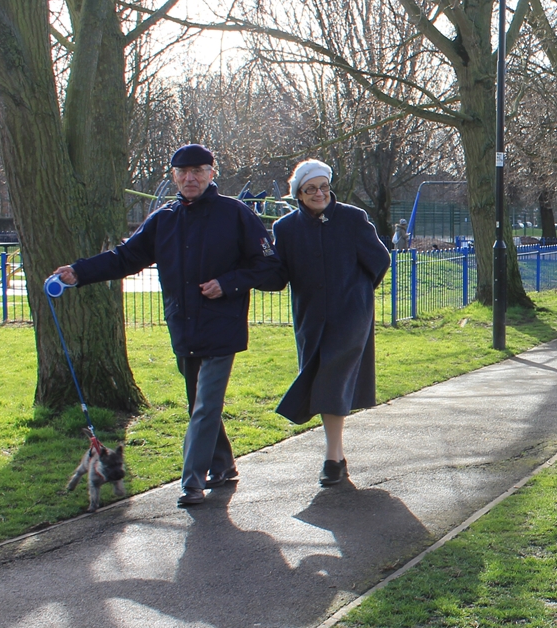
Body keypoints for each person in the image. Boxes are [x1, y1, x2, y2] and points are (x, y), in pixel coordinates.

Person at [53, 144, 281, 508]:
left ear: (212, 173)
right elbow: (125, 257)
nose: (190, 178)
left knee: (206, 404)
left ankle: (192, 482)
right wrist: (78, 273)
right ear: (173, 176)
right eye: (183, 172)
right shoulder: (165, 219)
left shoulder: (236, 214)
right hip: (183, 327)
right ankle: (223, 465)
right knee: (199, 404)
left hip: (222, 327)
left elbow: (273, 270)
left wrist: (228, 283)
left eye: (199, 171)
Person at [268, 159, 391, 487]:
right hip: (310, 317)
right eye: (311, 189)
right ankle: (336, 455)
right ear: (299, 194)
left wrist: (359, 294)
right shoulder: (286, 229)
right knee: (321, 379)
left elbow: (380, 260)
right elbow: (279, 274)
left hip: (350, 315)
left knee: (332, 378)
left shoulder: (352, 218)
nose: (320, 193)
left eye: (324, 187)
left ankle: (332, 458)